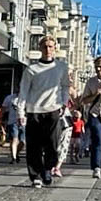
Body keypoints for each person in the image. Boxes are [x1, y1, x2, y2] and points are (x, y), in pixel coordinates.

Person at [19, 36, 71, 187]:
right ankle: (35, 175)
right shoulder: (31, 69)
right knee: (33, 145)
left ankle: (48, 168)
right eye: (45, 47)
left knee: (52, 143)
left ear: (55, 48)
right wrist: (20, 112)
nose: (48, 50)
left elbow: (66, 86)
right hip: (34, 110)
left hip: (53, 109)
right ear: (40, 49)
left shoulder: (61, 67)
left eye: (51, 46)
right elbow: (23, 91)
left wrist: (63, 103)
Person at [2, 88, 26, 163]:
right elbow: (4, 108)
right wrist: (1, 118)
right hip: (12, 122)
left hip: (24, 122)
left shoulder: (26, 98)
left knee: (23, 142)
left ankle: (17, 153)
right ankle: (14, 157)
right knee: (14, 140)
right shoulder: (10, 98)